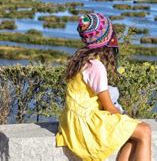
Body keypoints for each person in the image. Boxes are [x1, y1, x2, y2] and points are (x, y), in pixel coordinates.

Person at [56, 13, 151, 161]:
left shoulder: (81, 60)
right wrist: (125, 118)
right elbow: (109, 107)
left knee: (132, 135)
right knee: (144, 131)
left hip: (71, 121)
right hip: (86, 125)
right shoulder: (96, 66)